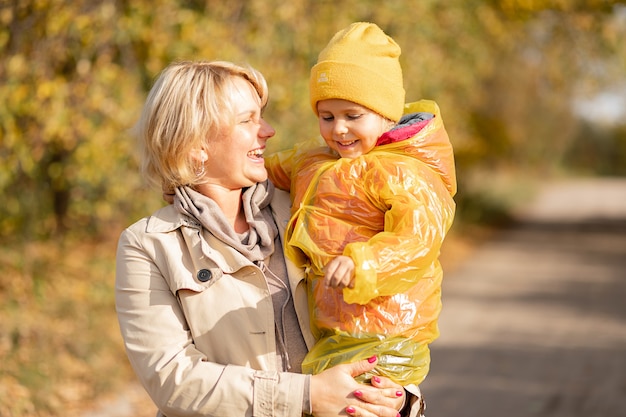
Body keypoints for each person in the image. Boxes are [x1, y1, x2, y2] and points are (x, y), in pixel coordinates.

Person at [115, 60, 409, 417]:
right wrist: (307, 395)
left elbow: (388, 306)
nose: (268, 131)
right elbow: (173, 380)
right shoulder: (148, 245)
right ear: (196, 145)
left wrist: (398, 394)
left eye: (262, 116)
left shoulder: (313, 206)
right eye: (247, 120)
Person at [265, 22, 457, 413]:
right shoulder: (312, 160)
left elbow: (417, 240)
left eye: (353, 115)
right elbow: (260, 169)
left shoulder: (406, 173)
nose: (339, 129)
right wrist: (201, 177)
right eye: (326, 116)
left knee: (363, 407)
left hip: (387, 334)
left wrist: (363, 263)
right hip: (333, 330)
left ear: (385, 115)